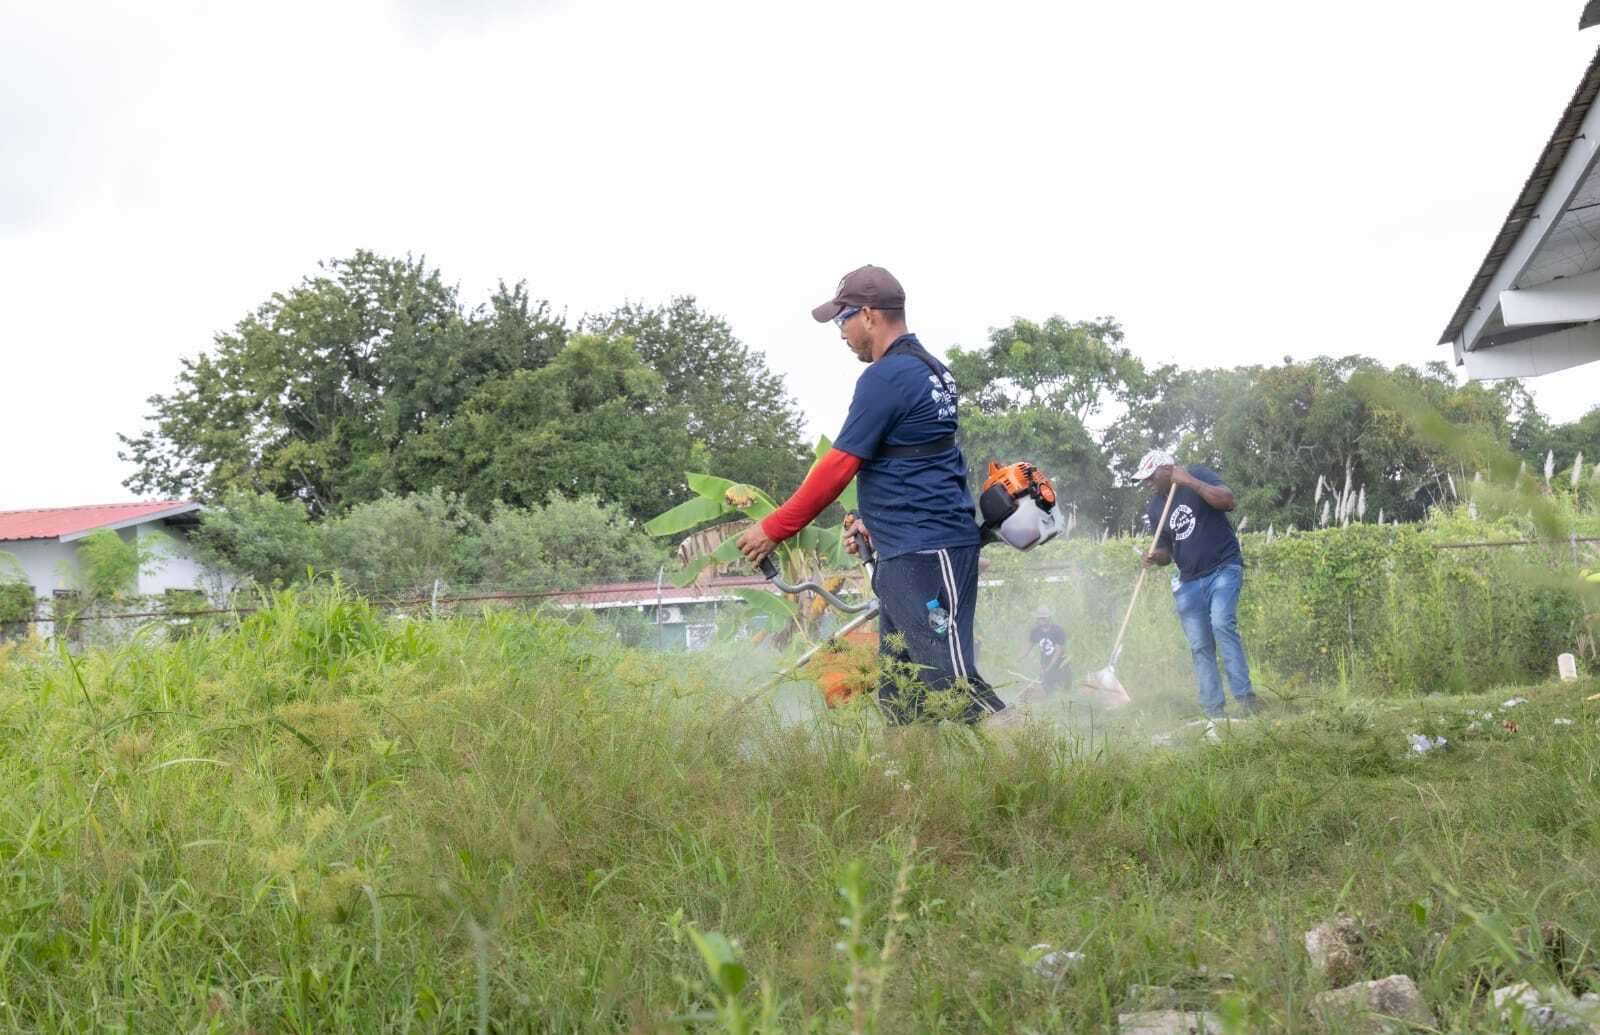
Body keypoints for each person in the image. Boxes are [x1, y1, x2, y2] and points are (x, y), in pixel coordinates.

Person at [736, 265, 1006, 725]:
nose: (840, 333)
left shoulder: (887, 377)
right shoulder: (930, 369)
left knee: (953, 684)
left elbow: (839, 466)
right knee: (902, 698)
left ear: (867, 315)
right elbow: (917, 461)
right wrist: (873, 522)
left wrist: (774, 527)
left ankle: (1039, 769)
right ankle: (901, 793)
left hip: (926, 551)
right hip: (914, 547)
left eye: (842, 320)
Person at [1134, 449, 1262, 719]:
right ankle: (1214, 710)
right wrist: (1155, 556)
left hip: (1223, 568)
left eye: (1150, 477)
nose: (1147, 483)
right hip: (1189, 581)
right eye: (1144, 479)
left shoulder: (1198, 476)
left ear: (1167, 470)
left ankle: (1246, 698)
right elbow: (1167, 553)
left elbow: (1228, 501)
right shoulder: (1155, 507)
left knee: (1221, 624)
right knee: (1200, 645)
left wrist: (1189, 481)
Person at [1027, 606, 1071, 694]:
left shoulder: (1058, 630)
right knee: (1049, 691)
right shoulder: (1035, 631)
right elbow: (1028, 647)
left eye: (1044, 618)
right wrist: (1016, 660)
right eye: (1040, 618)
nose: (1042, 620)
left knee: (1064, 690)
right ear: (1037, 619)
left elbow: (1058, 652)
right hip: (1045, 664)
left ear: (1049, 618)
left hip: (1060, 665)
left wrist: (1049, 667)